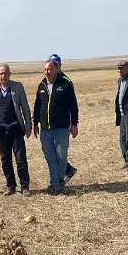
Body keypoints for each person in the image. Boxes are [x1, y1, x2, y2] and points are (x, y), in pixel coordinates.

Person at [33, 60, 79, 194]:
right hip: (45, 130)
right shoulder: (41, 85)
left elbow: (73, 106)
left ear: (56, 69)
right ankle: (56, 184)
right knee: (50, 158)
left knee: (61, 156)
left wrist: (74, 124)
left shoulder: (65, 84)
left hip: (61, 129)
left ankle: (58, 182)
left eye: (49, 69)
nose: (47, 72)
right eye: (45, 70)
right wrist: (35, 124)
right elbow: (37, 106)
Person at [0, 64, 32, 196]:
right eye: (1, 74)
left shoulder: (17, 87)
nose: (3, 76)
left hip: (16, 129)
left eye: (5, 73)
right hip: (1, 131)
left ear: (9, 74)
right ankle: (10, 185)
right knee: (5, 160)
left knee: (20, 159)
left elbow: (25, 108)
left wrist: (28, 126)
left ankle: (25, 186)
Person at [48, 53, 78, 184]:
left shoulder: (65, 81)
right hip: (50, 124)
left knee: (60, 152)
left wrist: (74, 123)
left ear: (59, 65)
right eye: (52, 64)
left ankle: (66, 172)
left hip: (62, 122)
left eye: (56, 64)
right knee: (52, 153)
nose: (54, 67)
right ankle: (65, 172)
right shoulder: (49, 80)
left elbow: (72, 104)